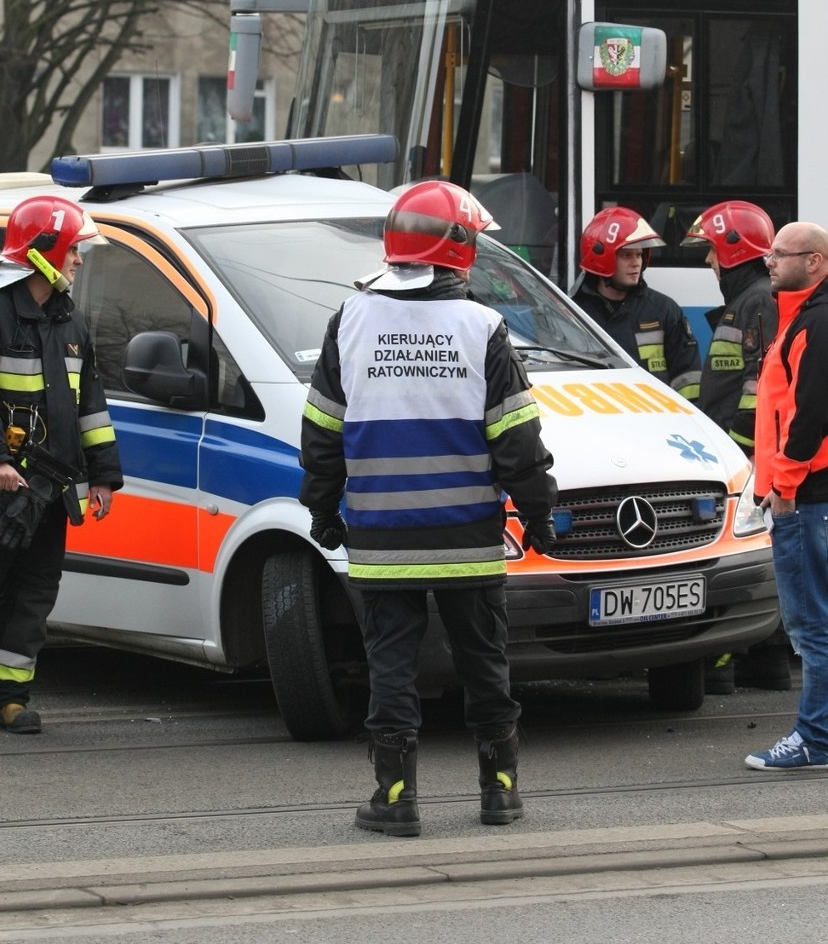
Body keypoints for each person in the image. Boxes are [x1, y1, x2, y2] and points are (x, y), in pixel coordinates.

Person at [299, 180, 559, 836]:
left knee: (391, 668)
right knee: (483, 663)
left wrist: (322, 509)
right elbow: (517, 439)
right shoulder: (483, 327)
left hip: (382, 539)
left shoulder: (349, 321)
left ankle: (395, 799)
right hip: (468, 538)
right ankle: (500, 792)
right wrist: (538, 510)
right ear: (461, 246)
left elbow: (322, 433)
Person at [0, 195, 123, 734]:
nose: (79, 261)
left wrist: (103, 476)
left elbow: (91, 408)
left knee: (33, 596)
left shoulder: (70, 322)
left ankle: (8, 697)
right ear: (44, 253)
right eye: (74, 251)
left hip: (49, 491)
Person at [681, 200, 790, 693]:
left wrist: (743, 452)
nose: (707, 262)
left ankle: (738, 660)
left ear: (731, 249)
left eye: (710, 251)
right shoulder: (747, 299)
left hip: (746, 457)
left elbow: (759, 382)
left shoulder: (758, 300)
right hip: (739, 451)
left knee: (749, 553)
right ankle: (756, 662)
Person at [745, 221, 828, 770]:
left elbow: (810, 415)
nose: (770, 261)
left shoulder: (814, 324)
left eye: (781, 254)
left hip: (806, 496)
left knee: (810, 626)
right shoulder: (802, 318)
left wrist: (784, 489)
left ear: (815, 262)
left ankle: (815, 740)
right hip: (811, 493)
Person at [571, 206, 700, 401]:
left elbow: (688, 379)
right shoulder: (572, 313)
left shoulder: (664, 311)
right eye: (627, 255)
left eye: (639, 255)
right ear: (601, 258)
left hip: (655, 420)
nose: (636, 263)